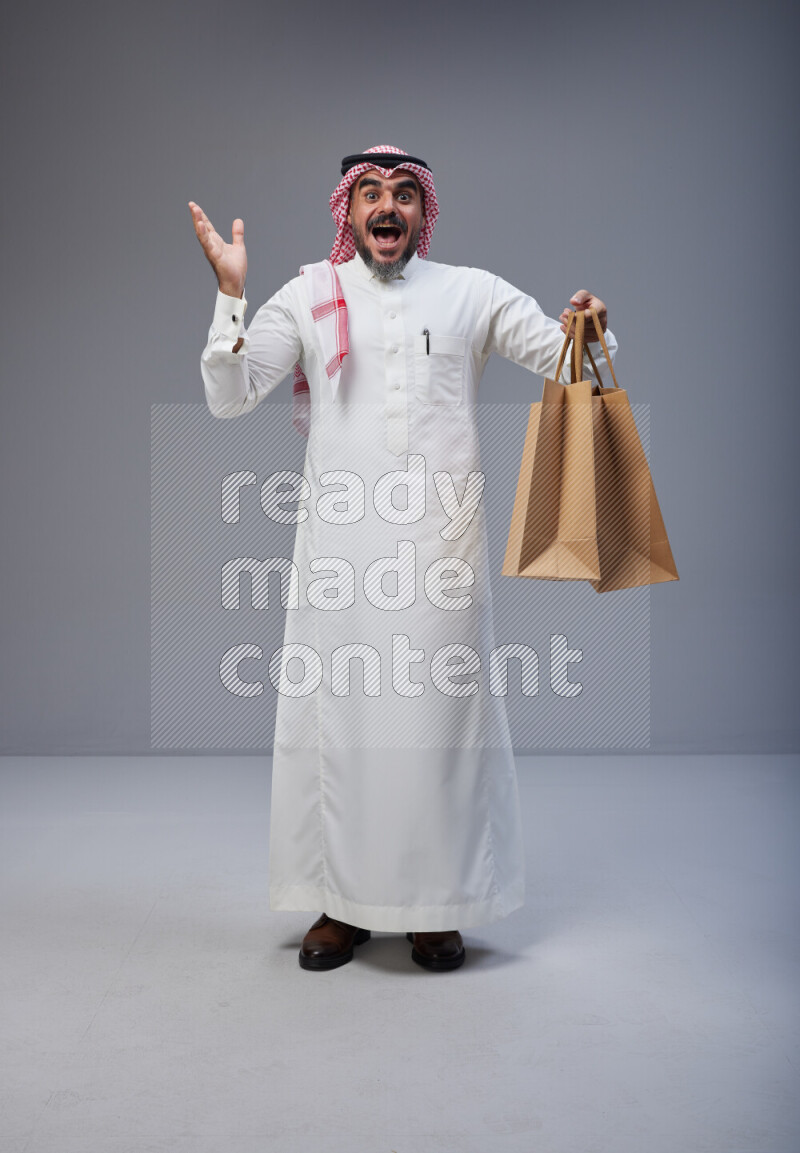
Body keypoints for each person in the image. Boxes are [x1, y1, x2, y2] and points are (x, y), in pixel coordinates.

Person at [190, 145, 617, 973]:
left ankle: (435, 906)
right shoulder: (312, 293)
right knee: (341, 730)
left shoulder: (471, 292)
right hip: (341, 556)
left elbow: (568, 365)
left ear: (424, 212)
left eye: (404, 196)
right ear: (348, 211)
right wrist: (231, 293)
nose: (387, 209)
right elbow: (229, 395)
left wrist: (589, 325)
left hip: (439, 553)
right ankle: (340, 906)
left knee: (436, 730)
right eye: (372, 195)